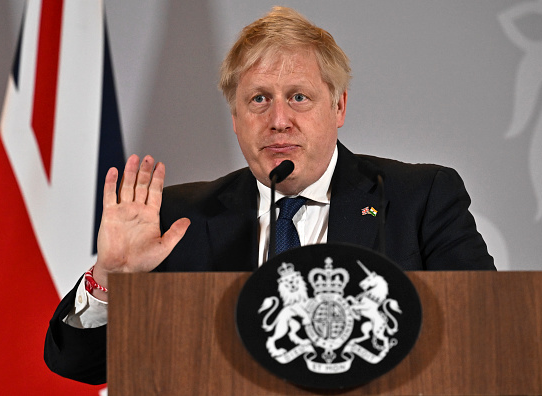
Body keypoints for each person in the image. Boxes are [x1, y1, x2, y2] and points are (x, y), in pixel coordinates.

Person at [44, 6, 495, 385]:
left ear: (338, 107)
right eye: (258, 99)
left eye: (299, 97)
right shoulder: (179, 220)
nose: (279, 120)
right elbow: (78, 365)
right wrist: (111, 277)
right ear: (236, 117)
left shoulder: (418, 198)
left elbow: (487, 330)